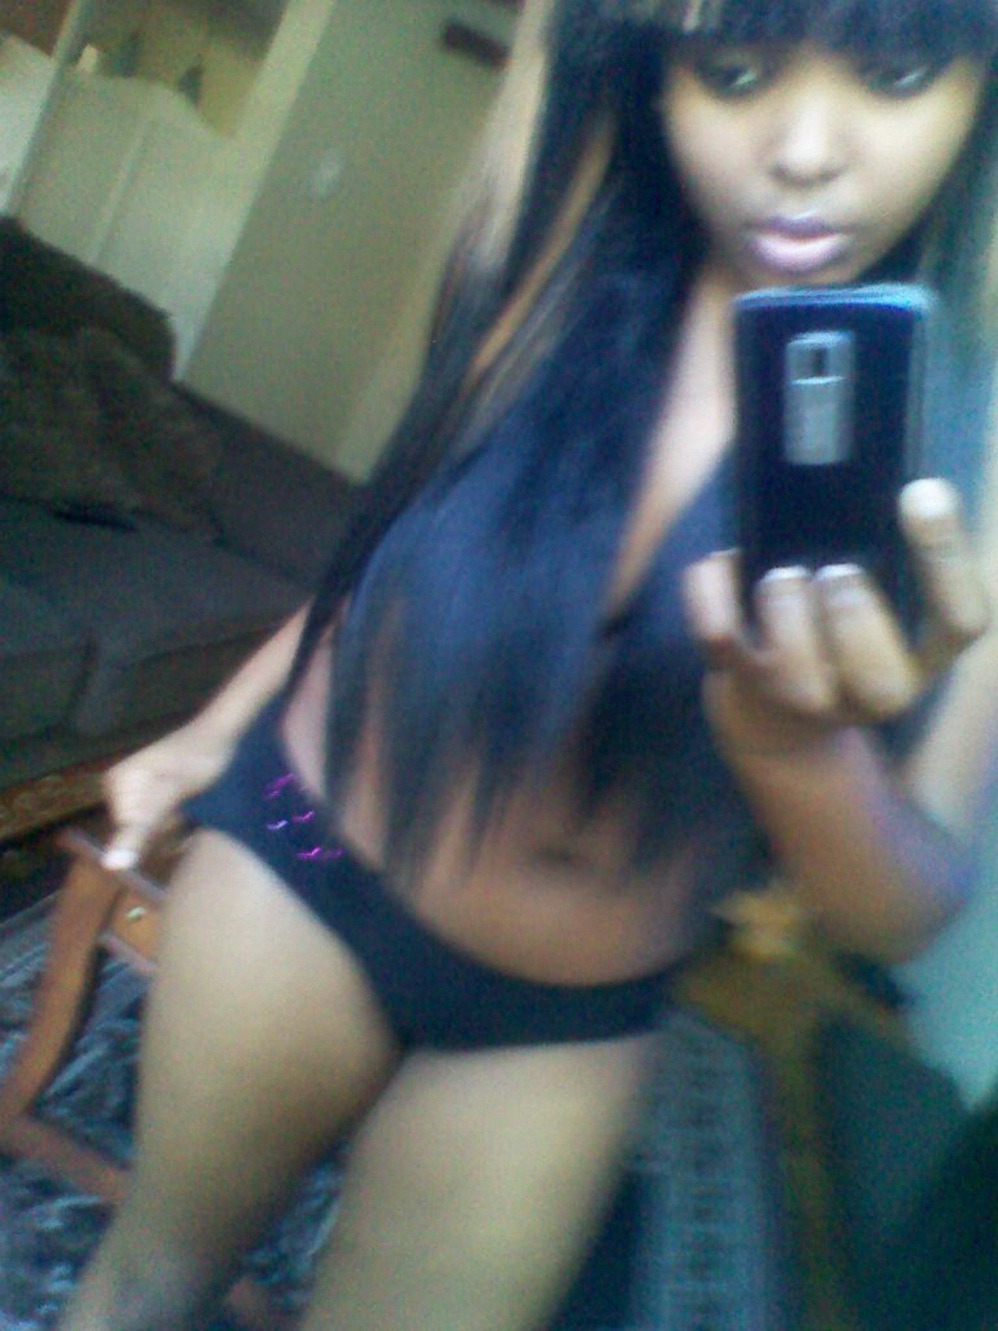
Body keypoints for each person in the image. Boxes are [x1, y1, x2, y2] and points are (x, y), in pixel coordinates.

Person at [62, 0, 998, 1327]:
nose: (802, 151)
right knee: (146, 1284)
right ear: (651, 75)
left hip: (558, 1015)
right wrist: (211, 731)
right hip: (305, 858)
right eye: (731, 71)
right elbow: (393, 566)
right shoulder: (551, 264)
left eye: (895, 74)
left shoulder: (974, 452)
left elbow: (905, 910)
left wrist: (798, 754)